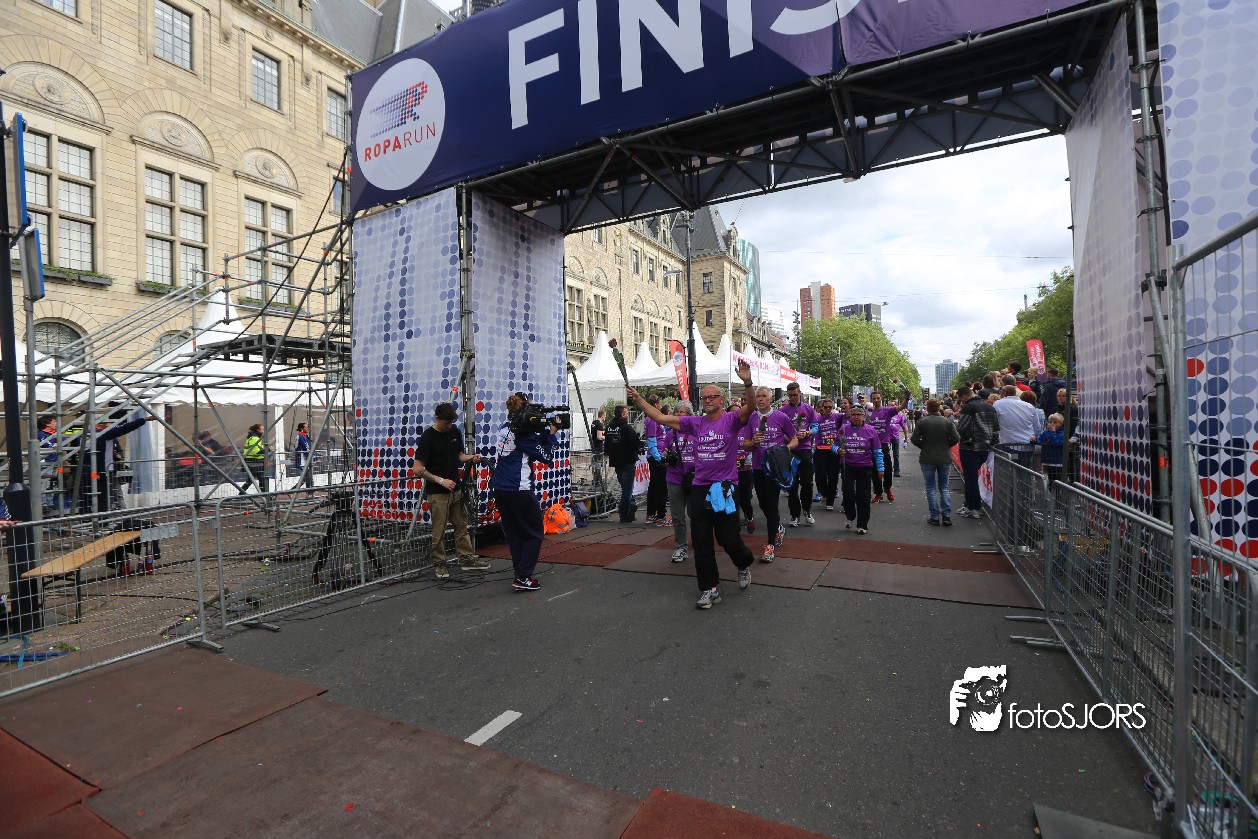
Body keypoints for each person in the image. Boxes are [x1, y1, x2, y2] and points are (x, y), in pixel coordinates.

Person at [627, 360, 756, 610]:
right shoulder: (695, 423)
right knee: (701, 540)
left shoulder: (731, 420)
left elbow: (750, 407)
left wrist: (748, 382)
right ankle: (710, 589)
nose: (708, 400)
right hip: (700, 488)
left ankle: (743, 563)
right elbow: (660, 417)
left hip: (725, 488)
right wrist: (639, 399)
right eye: (705, 397)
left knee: (728, 539)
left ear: (722, 400)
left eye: (713, 397)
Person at [491, 393, 561, 591]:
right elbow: (546, 456)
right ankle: (523, 577)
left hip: (501, 487)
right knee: (534, 532)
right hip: (518, 488)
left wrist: (544, 431)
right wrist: (552, 434)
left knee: (515, 534)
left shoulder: (506, 427)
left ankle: (520, 572)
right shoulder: (524, 435)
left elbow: (531, 443)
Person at [414, 403, 490, 579]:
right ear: (437, 418)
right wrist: (440, 480)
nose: (449, 426)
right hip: (437, 493)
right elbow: (417, 468)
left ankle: (466, 559)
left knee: (461, 525)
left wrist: (472, 457)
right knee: (439, 529)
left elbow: (459, 455)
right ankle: (439, 563)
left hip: (456, 488)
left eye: (451, 422)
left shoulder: (454, 432)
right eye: (446, 423)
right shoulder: (427, 437)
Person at [746, 385, 799, 562]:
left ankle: (770, 545)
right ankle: (777, 529)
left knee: (772, 503)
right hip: (757, 467)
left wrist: (784, 450)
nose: (760, 399)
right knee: (763, 505)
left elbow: (794, 439)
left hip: (774, 468)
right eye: (758, 396)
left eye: (763, 396)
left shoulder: (780, 417)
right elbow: (745, 444)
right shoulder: (752, 418)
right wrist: (753, 442)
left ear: (770, 399)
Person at [77, 414, 158, 514]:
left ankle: (85, 519)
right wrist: (145, 419)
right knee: (103, 497)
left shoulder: (82, 435)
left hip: (85, 471)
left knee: (85, 497)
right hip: (101, 471)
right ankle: (102, 519)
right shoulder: (104, 433)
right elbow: (125, 428)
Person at [910, 398, 960, 526]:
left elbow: (914, 439)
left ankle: (934, 516)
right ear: (939, 408)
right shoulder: (947, 422)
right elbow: (956, 438)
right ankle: (946, 516)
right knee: (944, 487)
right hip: (944, 457)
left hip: (927, 457)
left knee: (930, 487)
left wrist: (924, 446)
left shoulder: (922, 422)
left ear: (927, 408)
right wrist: (946, 445)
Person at [837, 407, 884, 534]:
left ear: (864, 417)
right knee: (848, 493)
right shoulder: (844, 429)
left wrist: (880, 468)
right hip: (848, 466)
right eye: (854, 414)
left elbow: (877, 450)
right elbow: (835, 445)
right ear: (850, 417)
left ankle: (862, 524)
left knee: (863, 496)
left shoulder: (870, 430)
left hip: (865, 466)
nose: (856, 417)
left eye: (859, 414)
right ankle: (850, 516)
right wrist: (837, 450)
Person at [956, 386, 999, 519]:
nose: (960, 402)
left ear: (964, 396)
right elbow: (996, 429)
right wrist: (990, 443)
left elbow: (962, 427)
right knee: (973, 477)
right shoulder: (990, 407)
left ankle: (973, 507)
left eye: (960, 399)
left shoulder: (968, 407)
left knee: (970, 478)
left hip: (970, 447)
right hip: (985, 447)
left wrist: (966, 438)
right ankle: (968, 505)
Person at [663, 400, 697, 562]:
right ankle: (681, 547)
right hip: (674, 478)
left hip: (695, 478)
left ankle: (699, 541)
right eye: (676, 412)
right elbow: (664, 455)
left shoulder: (697, 431)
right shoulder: (670, 434)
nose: (678, 415)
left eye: (681, 412)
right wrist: (666, 458)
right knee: (677, 516)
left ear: (689, 415)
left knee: (694, 514)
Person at [780, 381, 817, 527]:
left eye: (795, 395)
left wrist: (808, 433)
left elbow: (815, 427)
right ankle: (794, 515)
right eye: (790, 395)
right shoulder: (783, 411)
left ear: (800, 393)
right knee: (792, 484)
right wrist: (788, 438)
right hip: (790, 449)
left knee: (807, 482)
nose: (793, 398)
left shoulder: (808, 409)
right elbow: (779, 430)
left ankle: (807, 510)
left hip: (805, 448)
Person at [866, 383, 909, 503]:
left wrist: (907, 398)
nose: (876, 400)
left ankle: (888, 488)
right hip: (872, 445)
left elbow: (901, 407)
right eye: (874, 398)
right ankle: (878, 493)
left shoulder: (887, 411)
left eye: (878, 398)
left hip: (884, 444)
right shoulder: (868, 413)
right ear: (871, 400)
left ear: (881, 398)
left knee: (888, 469)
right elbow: (865, 426)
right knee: (874, 470)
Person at [605, 405, 642, 523]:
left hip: (616, 461)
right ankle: (624, 512)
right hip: (628, 461)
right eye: (626, 413)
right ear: (622, 415)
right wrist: (639, 449)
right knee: (627, 489)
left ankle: (631, 504)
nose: (627, 415)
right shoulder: (627, 428)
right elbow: (636, 443)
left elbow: (607, 444)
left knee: (625, 486)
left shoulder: (608, 428)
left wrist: (608, 453)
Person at [993, 385, 1039, 467]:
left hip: (1008, 444)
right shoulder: (1029, 406)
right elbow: (1037, 427)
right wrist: (1034, 438)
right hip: (1027, 445)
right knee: (1026, 470)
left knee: (1010, 470)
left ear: (1004, 393)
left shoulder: (998, 404)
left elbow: (993, 422)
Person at [643, 396, 670, 525]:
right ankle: (661, 516)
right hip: (656, 457)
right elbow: (651, 440)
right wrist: (659, 458)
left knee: (654, 486)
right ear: (655, 405)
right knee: (660, 487)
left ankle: (651, 514)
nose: (661, 406)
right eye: (660, 404)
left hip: (656, 455)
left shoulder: (653, 419)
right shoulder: (652, 419)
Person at [814, 399, 842, 511]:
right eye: (826, 407)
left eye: (830, 407)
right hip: (820, 449)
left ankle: (830, 501)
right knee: (820, 475)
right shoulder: (817, 419)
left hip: (833, 450)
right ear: (822, 408)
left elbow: (848, 415)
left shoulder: (837, 417)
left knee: (833, 476)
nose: (828, 409)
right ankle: (824, 493)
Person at [240, 423, 269, 492]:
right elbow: (255, 452)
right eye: (262, 429)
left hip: (253, 462)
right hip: (255, 462)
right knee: (261, 480)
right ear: (257, 430)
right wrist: (268, 450)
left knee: (251, 480)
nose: (264, 430)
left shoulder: (253, 437)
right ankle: (265, 495)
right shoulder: (255, 438)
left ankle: (241, 494)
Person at [1039, 413, 1066, 485]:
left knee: (1057, 481)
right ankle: (1052, 491)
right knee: (1050, 481)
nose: (1052, 424)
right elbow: (1040, 440)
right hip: (1047, 461)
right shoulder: (1046, 432)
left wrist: (1053, 432)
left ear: (1060, 424)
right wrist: (1034, 440)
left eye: (1055, 422)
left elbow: (1055, 444)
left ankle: (1058, 492)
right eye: (1050, 422)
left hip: (1057, 462)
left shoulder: (1062, 434)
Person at [590, 408, 607, 487]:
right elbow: (599, 437)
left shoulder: (594, 423)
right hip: (599, 447)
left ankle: (596, 480)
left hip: (594, 445)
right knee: (598, 465)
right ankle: (597, 481)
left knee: (596, 464)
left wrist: (603, 432)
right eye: (605, 416)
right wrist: (607, 437)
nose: (605, 417)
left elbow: (595, 433)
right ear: (602, 416)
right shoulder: (600, 424)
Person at [294, 422, 314, 488]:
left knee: (307, 478)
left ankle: (309, 491)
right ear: (301, 428)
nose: (307, 428)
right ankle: (293, 490)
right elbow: (306, 449)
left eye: (307, 427)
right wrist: (313, 458)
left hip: (305, 460)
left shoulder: (304, 436)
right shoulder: (301, 437)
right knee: (306, 478)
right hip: (302, 460)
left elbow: (309, 448)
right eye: (306, 427)